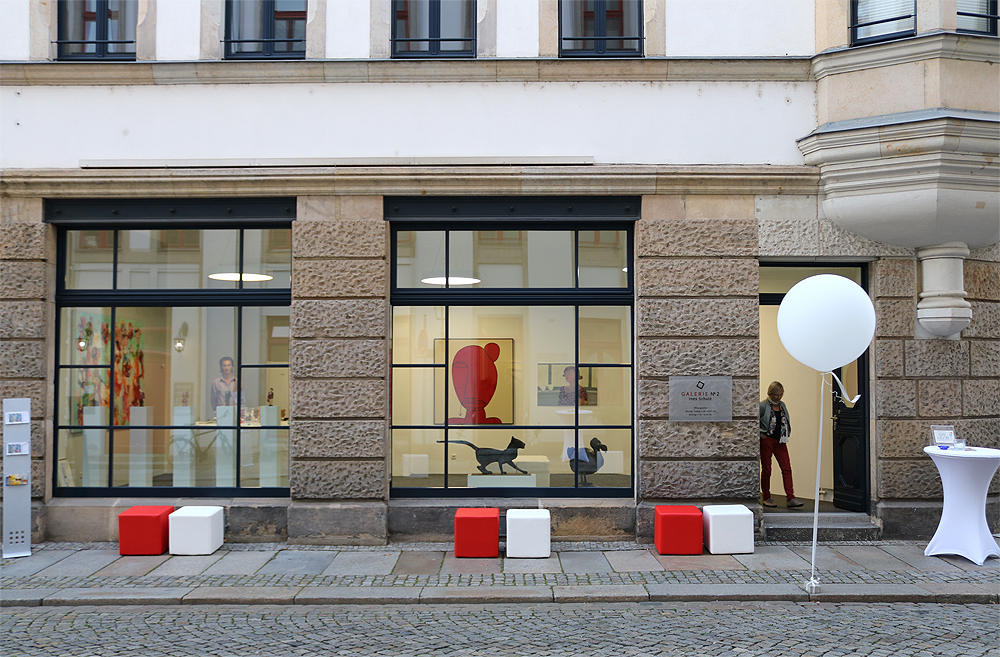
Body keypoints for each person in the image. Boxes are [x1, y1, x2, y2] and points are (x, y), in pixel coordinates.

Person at [759, 381, 803, 508]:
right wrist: (761, 435)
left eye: (781, 394)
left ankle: (791, 497)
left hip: (780, 441)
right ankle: (766, 497)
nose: (779, 397)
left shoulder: (782, 405)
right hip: (767, 440)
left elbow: (786, 421)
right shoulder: (763, 405)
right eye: (777, 395)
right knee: (767, 469)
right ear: (770, 394)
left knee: (786, 468)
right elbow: (754, 422)